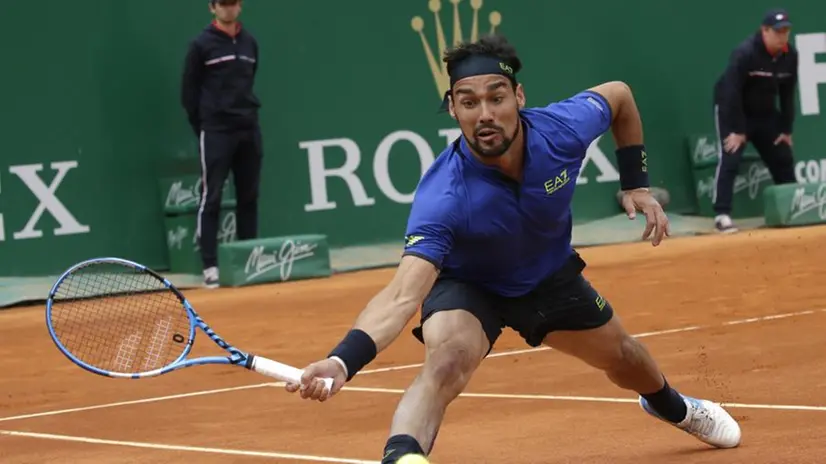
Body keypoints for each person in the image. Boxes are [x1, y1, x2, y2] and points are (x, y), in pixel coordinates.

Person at [285, 34, 742, 462]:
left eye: (495, 97)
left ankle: (673, 407)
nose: (484, 113)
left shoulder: (561, 130)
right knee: (446, 362)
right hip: (470, 285)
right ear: (452, 109)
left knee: (625, 358)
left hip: (548, 275)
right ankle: (402, 455)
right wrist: (345, 359)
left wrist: (636, 184)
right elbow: (403, 294)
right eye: (468, 102)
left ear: (518, 98)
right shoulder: (443, 196)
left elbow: (619, 95)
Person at [181, 0, 263, 288]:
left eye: (232, 3)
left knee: (248, 197)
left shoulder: (249, 42)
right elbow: (188, 92)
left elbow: (249, 81)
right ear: (212, 8)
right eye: (222, 4)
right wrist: (204, 125)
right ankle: (210, 267)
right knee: (211, 197)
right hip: (216, 130)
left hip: (248, 127)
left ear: (239, 7)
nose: (228, 9)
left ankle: (249, 260)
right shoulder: (201, 45)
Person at [712, 8, 799, 233]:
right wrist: (738, 130)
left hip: (766, 113)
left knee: (782, 155)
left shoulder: (790, 55)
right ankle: (722, 214)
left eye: (786, 31)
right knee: (730, 157)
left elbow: (788, 94)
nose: (782, 36)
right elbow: (731, 92)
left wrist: (786, 129)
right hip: (733, 110)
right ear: (765, 31)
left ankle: (793, 206)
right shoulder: (745, 52)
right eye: (778, 32)